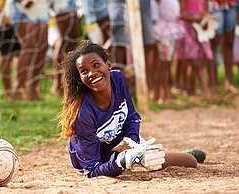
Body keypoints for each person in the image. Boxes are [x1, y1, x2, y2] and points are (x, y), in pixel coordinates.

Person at [57, 41, 206, 178]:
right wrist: (123, 161)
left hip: (122, 147)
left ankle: (174, 155)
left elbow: (132, 117)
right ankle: (160, 157)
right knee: (179, 160)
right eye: (84, 71)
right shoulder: (84, 114)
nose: (92, 73)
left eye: (96, 65)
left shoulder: (118, 79)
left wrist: (132, 144)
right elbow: (91, 170)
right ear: (80, 78)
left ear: (108, 65)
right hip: (102, 160)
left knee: (189, 161)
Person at [152, 0, 185, 103]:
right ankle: (163, 96)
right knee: (164, 65)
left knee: (165, 64)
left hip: (170, 30)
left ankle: (160, 94)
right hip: (164, 32)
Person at [176, 0, 212, 98]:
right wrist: (196, 19)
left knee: (199, 62)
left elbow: (205, 9)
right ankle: (195, 90)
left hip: (200, 30)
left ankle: (195, 89)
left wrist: (205, 18)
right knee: (193, 61)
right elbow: (181, 14)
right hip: (189, 30)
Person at [209, 0, 239, 94]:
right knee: (214, 44)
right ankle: (213, 84)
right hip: (215, 5)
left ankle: (229, 83)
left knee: (229, 43)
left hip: (231, 4)